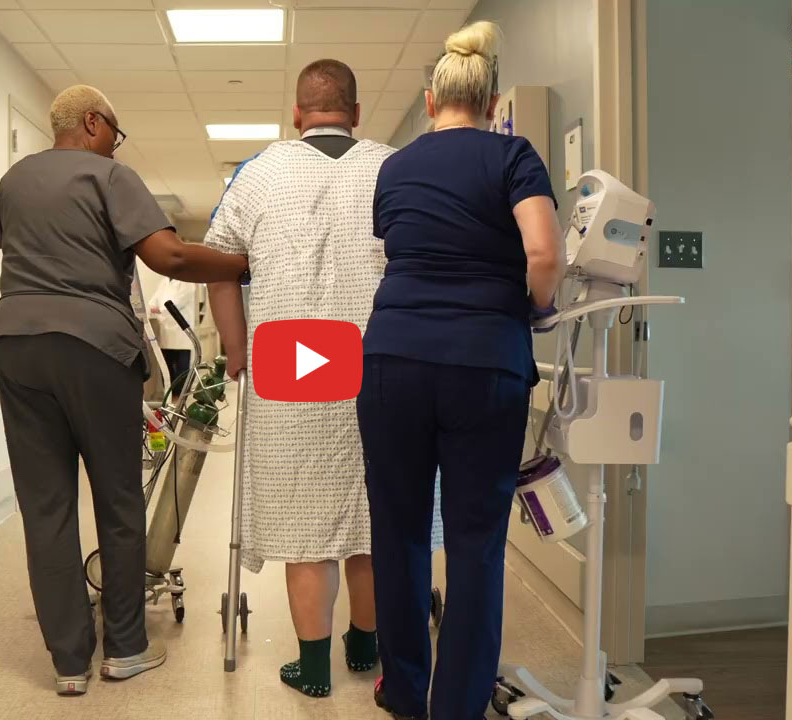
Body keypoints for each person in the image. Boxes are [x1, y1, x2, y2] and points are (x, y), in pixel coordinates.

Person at [0, 84, 248, 696]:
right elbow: (171, 258)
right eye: (116, 133)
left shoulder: (13, 181)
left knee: (45, 507)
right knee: (118, 498)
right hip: (93, 347)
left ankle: (69, 662)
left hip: (16, 344)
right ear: (94, 121)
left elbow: (26, 256)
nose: (115, 145)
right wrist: (242, 264)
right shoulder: (109, 175)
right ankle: (126, 648)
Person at [205, 59, 443, 699]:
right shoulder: (397, 166)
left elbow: (219, 266)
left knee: (306, 525)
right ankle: (365, 650)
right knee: (374, 516)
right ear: (358, 113)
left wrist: (235, 352)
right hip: (381, 365)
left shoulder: (257, 174)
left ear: (297, 114)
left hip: (289, 374)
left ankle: (312, 669)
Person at [357, 22, 565, 720]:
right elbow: (542, 255)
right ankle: (459, 703)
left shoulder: (395, 166)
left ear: (430, 98)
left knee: (400, 529)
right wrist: (539, 311)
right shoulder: (514, 157)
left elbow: (402, 245)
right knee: (475, 540)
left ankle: (405, 690)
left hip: (392, 361)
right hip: (484, 363)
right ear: (493, 98)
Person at [147, 276, 200, 401]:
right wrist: (150, 308)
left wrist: (159, 309)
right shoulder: (164, 281)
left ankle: (180, 399)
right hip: (166, 332)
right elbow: (153, 301)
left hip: (181, 333)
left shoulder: (187, 282)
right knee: (166, 368)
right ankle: (169, 397)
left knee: (181, 370)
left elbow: (176, 303)